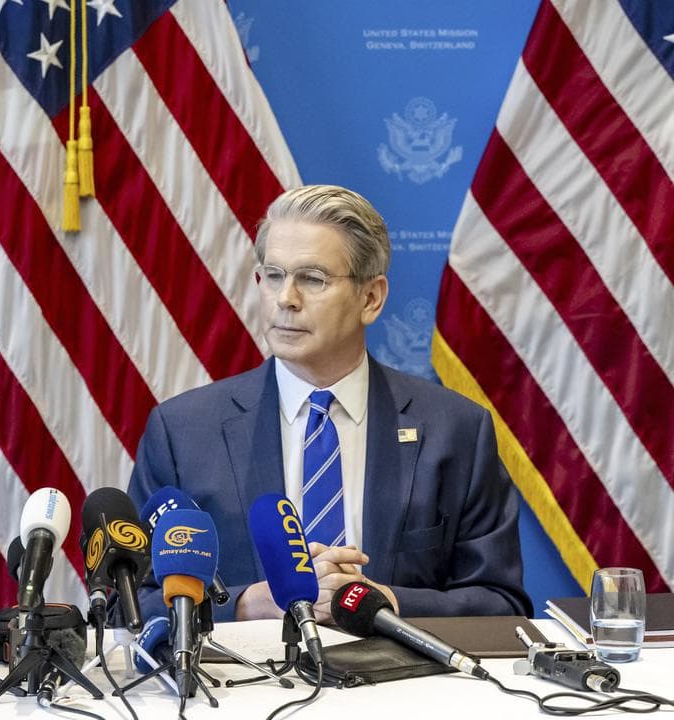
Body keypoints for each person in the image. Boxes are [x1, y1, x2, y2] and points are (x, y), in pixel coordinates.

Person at [128, 184, 531, 624]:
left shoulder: (456, 431)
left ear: (371, 298)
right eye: (273, 276)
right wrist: (244, 605)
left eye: (313, 279)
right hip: (244, 670)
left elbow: (500, 604)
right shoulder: (182, 432)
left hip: (398, 668)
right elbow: (131, 605)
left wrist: (386, 603)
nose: (286, 298)